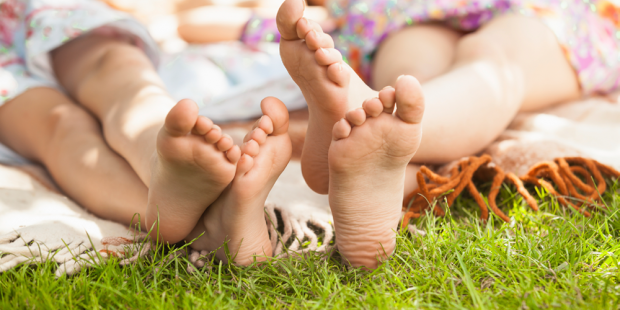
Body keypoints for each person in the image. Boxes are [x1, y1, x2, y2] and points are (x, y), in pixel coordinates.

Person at [273, 0, 620, 268]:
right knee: (421, 81)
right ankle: (382, 139)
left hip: (501, 11)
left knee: (477, 64)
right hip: (413, 13)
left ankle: (374, 128)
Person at [0, 0, 293, 266]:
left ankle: (160, 161)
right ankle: (205, 225)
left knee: (115, 75)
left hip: (38, 14)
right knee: (69, 119)